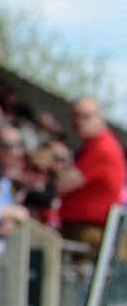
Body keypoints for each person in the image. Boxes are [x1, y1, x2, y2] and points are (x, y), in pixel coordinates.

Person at [56, 96, 123, 248]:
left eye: (86, 116)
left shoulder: (103, 148)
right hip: (80, 229)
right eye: (74, 116)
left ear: (100, 117)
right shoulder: (93, 146)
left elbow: (61, 185)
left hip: (86, 232)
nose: (79, 122)